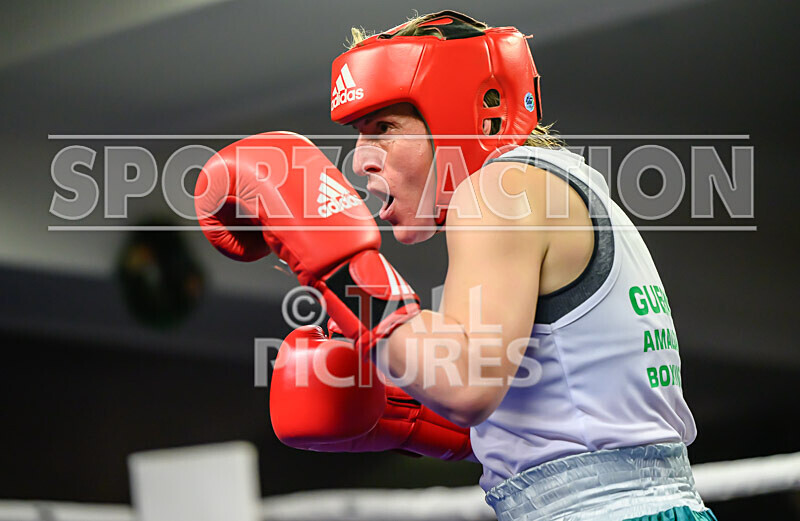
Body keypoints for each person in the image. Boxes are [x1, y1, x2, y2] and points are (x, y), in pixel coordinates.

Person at [195, 10, 717, 521]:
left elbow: (469, 384)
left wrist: (337, 269)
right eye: (358, 131)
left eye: (383, 127)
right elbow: (561, 425)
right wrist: (404, 413)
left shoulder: (498, 191)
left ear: (471, 113)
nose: (359, 158)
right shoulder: (562, 187)